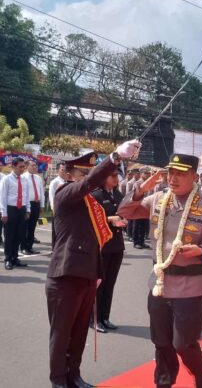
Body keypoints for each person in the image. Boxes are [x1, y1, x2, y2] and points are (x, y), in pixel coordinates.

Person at [117, 153, 202, 388]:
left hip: (191, 286)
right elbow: (125, 212)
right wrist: (140, 190)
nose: (173, 178)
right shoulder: (158, 199)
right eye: (171, 173)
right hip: (159, 283)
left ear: (195, 176)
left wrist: (201, 251)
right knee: (161, 341)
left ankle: (201, 374)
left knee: (183, 343)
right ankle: (164, 382)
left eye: (181, 174)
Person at [46, 140, 139, 388]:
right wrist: (115, 157)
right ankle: (58, 379)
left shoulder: (90, 203)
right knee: (62, 333)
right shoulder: (64, 194)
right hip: (65, 274)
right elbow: (89, 184)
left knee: (78, 333)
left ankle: (73, 375)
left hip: (87, 273)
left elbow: (95, 231)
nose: (87, 178)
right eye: (82, 173)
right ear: (66, 174)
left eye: (88, 173)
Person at [90, 169, 127, 334]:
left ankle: (105, 317)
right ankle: (94, 319)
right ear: (104, 178)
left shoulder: (118, 195)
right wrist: (108, 220)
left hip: (117, 245)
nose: (115, 179)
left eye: (116, 176)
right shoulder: (96, 195)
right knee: (99, 284)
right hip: (102, 246)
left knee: (110, 283)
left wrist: (125, 220)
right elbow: (91, 220)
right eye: (112, 176)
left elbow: (125, 213)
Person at [0, 157, 30, 271]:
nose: (23, 169)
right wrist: (4, 212)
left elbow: (26, 196)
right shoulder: (6, 179)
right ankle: (8, 259)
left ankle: (15, 258)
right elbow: (2, 197)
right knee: (9, 236)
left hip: (21, 209)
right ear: (13, 166)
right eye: (20, 167)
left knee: (19, 235)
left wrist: (27, 210)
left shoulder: (24, 180)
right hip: (10, 209)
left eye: (23, 167)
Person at [23, 160, 45, 255]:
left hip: (36, 204)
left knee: (32, 227)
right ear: (27, 166)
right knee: (25, 227)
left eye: (35, 166)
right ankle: (23, 247)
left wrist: (42, 205)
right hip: (27, 204)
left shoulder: (38, 178)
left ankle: (30, 247)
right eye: (32, 166)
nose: (35, 167)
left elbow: (41, 192)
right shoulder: (23, 177)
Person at [132, 167, 152, 249]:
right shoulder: (137, 183)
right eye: (145, 173)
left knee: (144, 225)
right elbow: (134, 195)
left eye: (148, 173)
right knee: (137, 224)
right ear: (141, 174)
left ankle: (142, 241)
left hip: (146, 206)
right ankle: (136, 242)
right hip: (138, 205)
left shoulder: (149, 183)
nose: (147, 175)